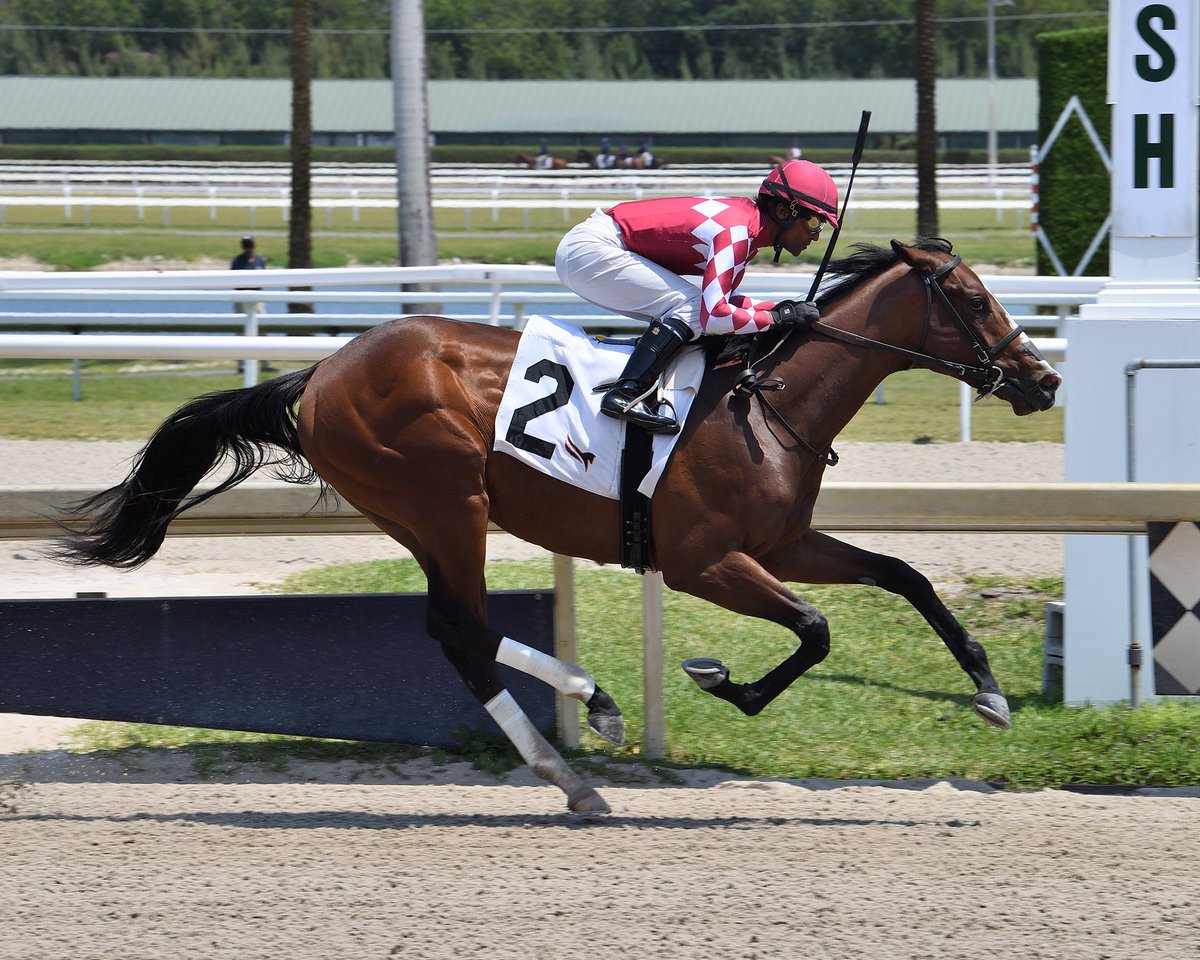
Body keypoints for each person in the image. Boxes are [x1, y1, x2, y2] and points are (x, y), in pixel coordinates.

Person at [555, 159, 838, 434]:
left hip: (591, 247)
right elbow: (714, 314)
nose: (815, 235)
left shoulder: (746, 228)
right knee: (692, 309)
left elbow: (726, 303)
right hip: (590, 250)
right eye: (814, 222)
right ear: (784, 211)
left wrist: (781, 309)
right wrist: (774, 319)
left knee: (694, 308)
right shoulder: (737, 232)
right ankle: (626, 393)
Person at [229, 235, 274, 373]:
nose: (248, 247)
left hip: (258, 300)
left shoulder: (260, 260)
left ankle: (265, 363)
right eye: (246, 244)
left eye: (250, 244)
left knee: (263, 330)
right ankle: (241, 365)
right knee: (241, 332)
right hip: (242, 300)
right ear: (242, 246)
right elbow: (234, 281)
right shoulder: (237, 261)